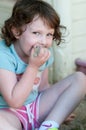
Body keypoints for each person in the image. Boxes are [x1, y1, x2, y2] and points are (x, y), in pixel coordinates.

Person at [0, 0, 86, 130]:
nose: (44, 41)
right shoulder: (4, 56)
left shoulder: (43, 53)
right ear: (16, 31)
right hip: (8, 112)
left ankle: (49, 125)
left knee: (80, 78)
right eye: (36, 33)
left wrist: (58, 108)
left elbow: (42, 88)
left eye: (49, 34)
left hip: (35, 107)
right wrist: (33, 67)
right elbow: (14, 101)